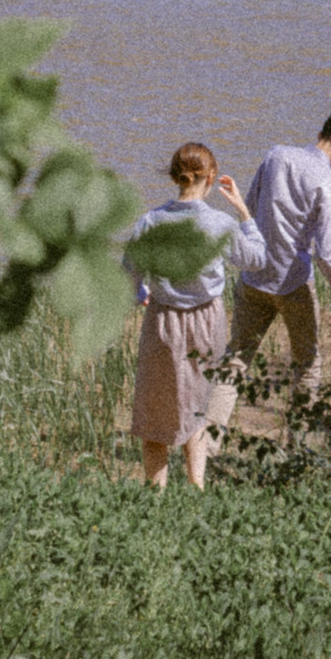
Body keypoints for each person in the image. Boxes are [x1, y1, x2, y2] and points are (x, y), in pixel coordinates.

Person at [129, 142, 260, 491]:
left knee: (155, 411)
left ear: (174, 177)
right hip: (207, 322)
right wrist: (244, 213)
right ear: (212, 176)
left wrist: (142, 294)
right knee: (198, 406)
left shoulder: (150, 222)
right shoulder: (221, 223)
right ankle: (196, 488)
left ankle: (153, 496)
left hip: (162, 322)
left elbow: (128, 280)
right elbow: (256, 261)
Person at [232, 111, 331, 405]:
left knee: (234, 362)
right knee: (307, 364)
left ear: (320, 135)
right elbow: (326, 253)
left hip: (254, 275)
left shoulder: (276, 155)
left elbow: (248, 208)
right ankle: (297, 445)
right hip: (294, 284)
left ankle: (204, 445)